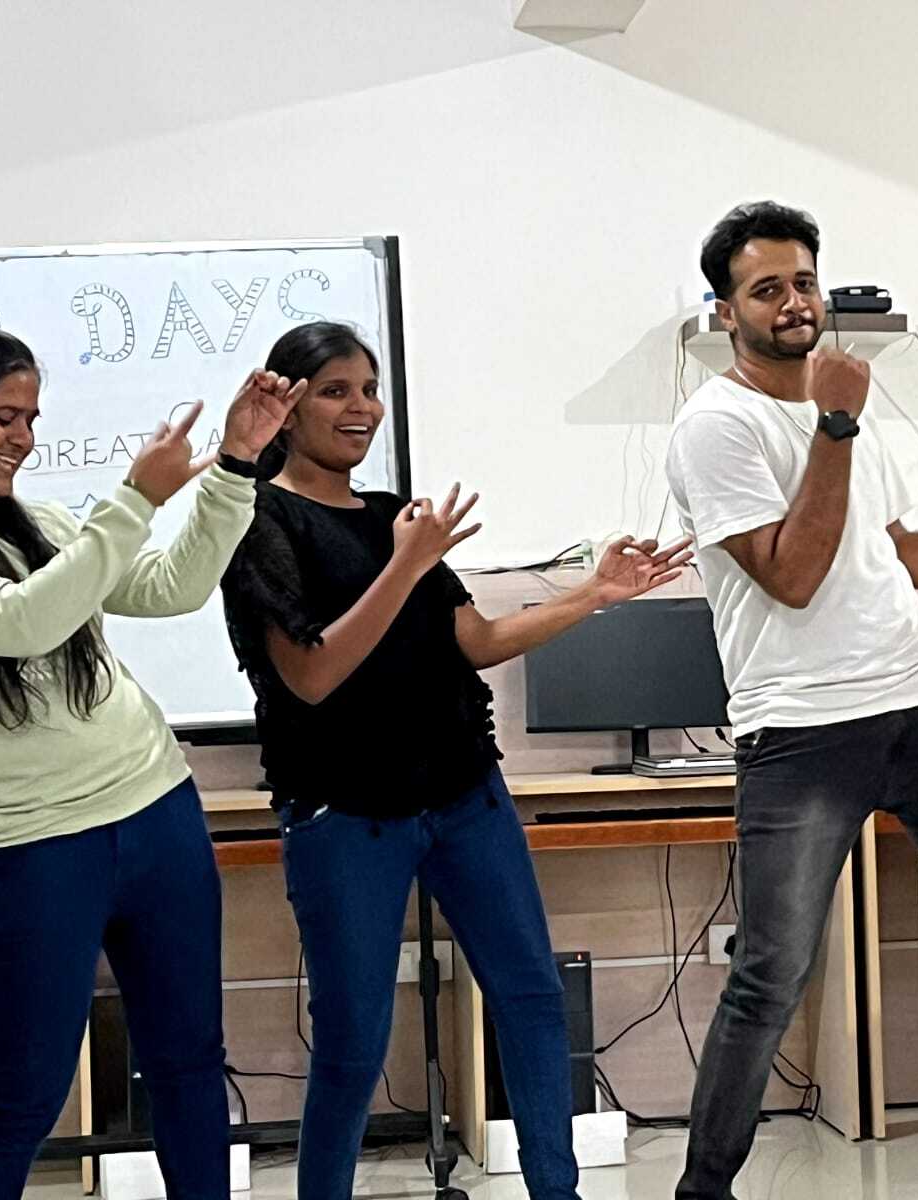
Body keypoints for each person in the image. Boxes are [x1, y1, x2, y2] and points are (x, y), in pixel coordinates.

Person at [219, 320, 691, 1200]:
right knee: (353, 1039)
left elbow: (474, 640)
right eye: (335, 391)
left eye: (369, 389)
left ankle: (557, 1190)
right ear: (285, 408)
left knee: (531, 995)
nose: (362, 408)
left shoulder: (391, 515)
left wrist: (593, 594)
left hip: (464, 792)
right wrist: (405, 564)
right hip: (344, 812)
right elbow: (310, 675)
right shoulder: (256, 521)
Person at [664, 201, 918, 1200]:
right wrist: (834, 425)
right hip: (802, 729)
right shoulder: (715, 428)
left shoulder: (843, 409)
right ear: (726, 313)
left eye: (804, 282)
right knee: (771, 975)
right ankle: (701, 1192)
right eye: (767, 289)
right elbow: (792, 575)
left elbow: (884, 554)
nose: (795, 303)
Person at [0, 320, 299, 1198]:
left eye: (32, 418)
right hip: (30, 845)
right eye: (3, 418)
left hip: (156, 811)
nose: (23, 439)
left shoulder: (40, 521)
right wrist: (135, 497)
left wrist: (234, 467)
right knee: (23, 1096)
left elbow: (172, 587)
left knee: (190, 1063)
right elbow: (21, 621)